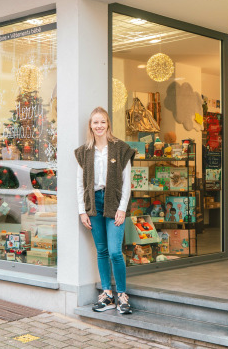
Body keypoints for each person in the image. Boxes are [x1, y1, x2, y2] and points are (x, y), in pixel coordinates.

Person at [75, 107, 135, 315]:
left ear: (108, 124)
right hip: (94, 204)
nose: (99, 126)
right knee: (101, 251)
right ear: (90, 126)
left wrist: (122, 208)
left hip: (114, 203)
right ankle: (107, 294)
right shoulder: (84, 151)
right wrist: (82, 210)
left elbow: (127, 182)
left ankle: (122, 295)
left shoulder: (120, 149)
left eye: (102, 122)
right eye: (95, 122)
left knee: (115, 251)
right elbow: (80, 184)